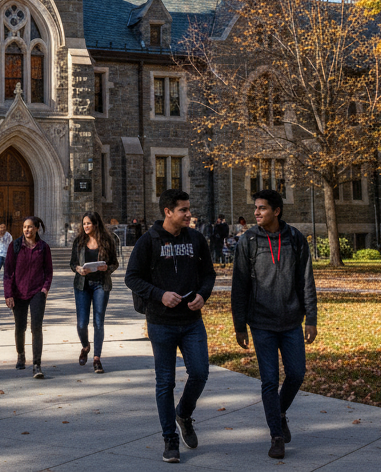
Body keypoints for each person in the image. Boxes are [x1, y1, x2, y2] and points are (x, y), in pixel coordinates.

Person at [125, 189, 216, 463]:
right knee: (165, 382)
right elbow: (132, 277)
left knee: (200, 373)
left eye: (189, 209)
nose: (189, 214)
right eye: (183, 210)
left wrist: (203, 294)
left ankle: (184, 415)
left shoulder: (196, 239)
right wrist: (159, 294)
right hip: (161, 322)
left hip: (191, 322)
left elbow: (209, 274)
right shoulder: (148, 241)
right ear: (168, 212)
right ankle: (170, 439)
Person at [231, 188, 318, 460]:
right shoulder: (248, 241)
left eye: (262, 208)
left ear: (276, 211)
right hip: (261, 323)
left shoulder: (294, 238)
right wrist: (239, 325)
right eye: (256, 208)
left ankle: (279, 413)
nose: (256, 212)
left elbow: (306, 280)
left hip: (292, 321)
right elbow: (240, 285)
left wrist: (311, 319)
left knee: (296, 374)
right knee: (269, 381)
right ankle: (276, 436)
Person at [4, 216, 54, 378]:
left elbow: (49, 271)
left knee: (36, 327)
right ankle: (21, 354)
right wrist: (8, 294)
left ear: (37, 228)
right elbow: (8, 272)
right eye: (25, 227)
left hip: (37, 292)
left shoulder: (43, 248)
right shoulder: (15, 246)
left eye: (30, 227)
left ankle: (37, 364)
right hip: (18, 292)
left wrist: (45, 289)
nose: (27, 230)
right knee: (20, 326)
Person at [70, 210, 119, 373]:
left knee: (98, 321)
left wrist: (107, 268)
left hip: (101, 284)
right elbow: (72, 264)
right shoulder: (79, 241)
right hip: (82, 285)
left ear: (96, 224)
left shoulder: (107, 241)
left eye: (88, 223)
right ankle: (85, 346)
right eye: (84, 224)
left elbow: (114, 263)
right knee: (82, 323)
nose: (85, 226)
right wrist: (78, 269)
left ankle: (97, 358)